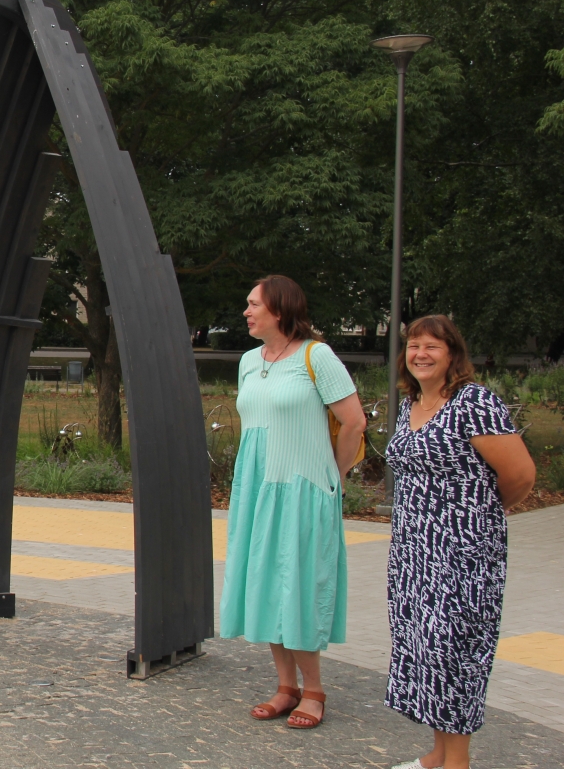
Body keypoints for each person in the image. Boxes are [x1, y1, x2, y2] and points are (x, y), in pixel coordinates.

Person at [384, 316, 534, 769]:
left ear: (453, 354)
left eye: (432, 345)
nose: (421, 353)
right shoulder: (411, 402)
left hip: (461, 556)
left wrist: (478, 515)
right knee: (424, 650)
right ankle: (437, 754)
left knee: (455, 655)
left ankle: (458, 763)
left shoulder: (474, 402)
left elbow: (521, 475)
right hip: (413, 554)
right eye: (414, 345)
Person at [220, 275, 366, 730]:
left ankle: (315, 690)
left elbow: (355, 422)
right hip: (257, 489)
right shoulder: (248, 360)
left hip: (302, 488)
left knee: (299, 585)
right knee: (264, 582)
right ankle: (286, 687)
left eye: (253, 304)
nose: (246, 311)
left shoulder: (315, 355)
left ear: (279, 310)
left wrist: (333, 477)